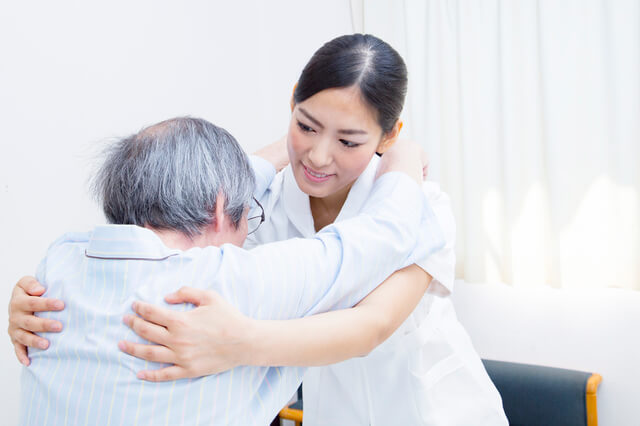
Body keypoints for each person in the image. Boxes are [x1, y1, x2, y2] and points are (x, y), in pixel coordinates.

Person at [9, 34, 508, 425]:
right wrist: (34, 300)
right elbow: (201, 195)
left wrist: (238, 341)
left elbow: (371, 326)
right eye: (306, 126)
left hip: (433, 411)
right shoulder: (257, 205)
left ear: (388, 134)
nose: (318, 156)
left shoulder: (422, 205)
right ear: (292, 105)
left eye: (349, 141)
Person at [13, 116, 441, 426]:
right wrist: (402, 150)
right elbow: (386, 232)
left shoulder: (59, 266)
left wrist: (304, 138)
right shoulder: (227, 283)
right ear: (220, 207)